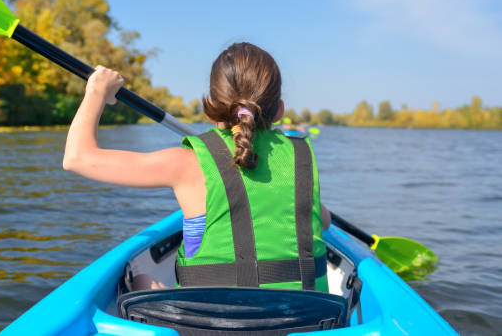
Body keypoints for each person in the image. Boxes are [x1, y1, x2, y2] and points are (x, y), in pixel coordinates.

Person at [63, 42, 331, 291]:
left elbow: (77, 157)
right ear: (279, 110)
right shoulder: (301, 159)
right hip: (306, 322)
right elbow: (325, 221)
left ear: (211, 106)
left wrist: (97, 91)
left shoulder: (186, 163)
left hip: (208, 326)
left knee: (141, 276)